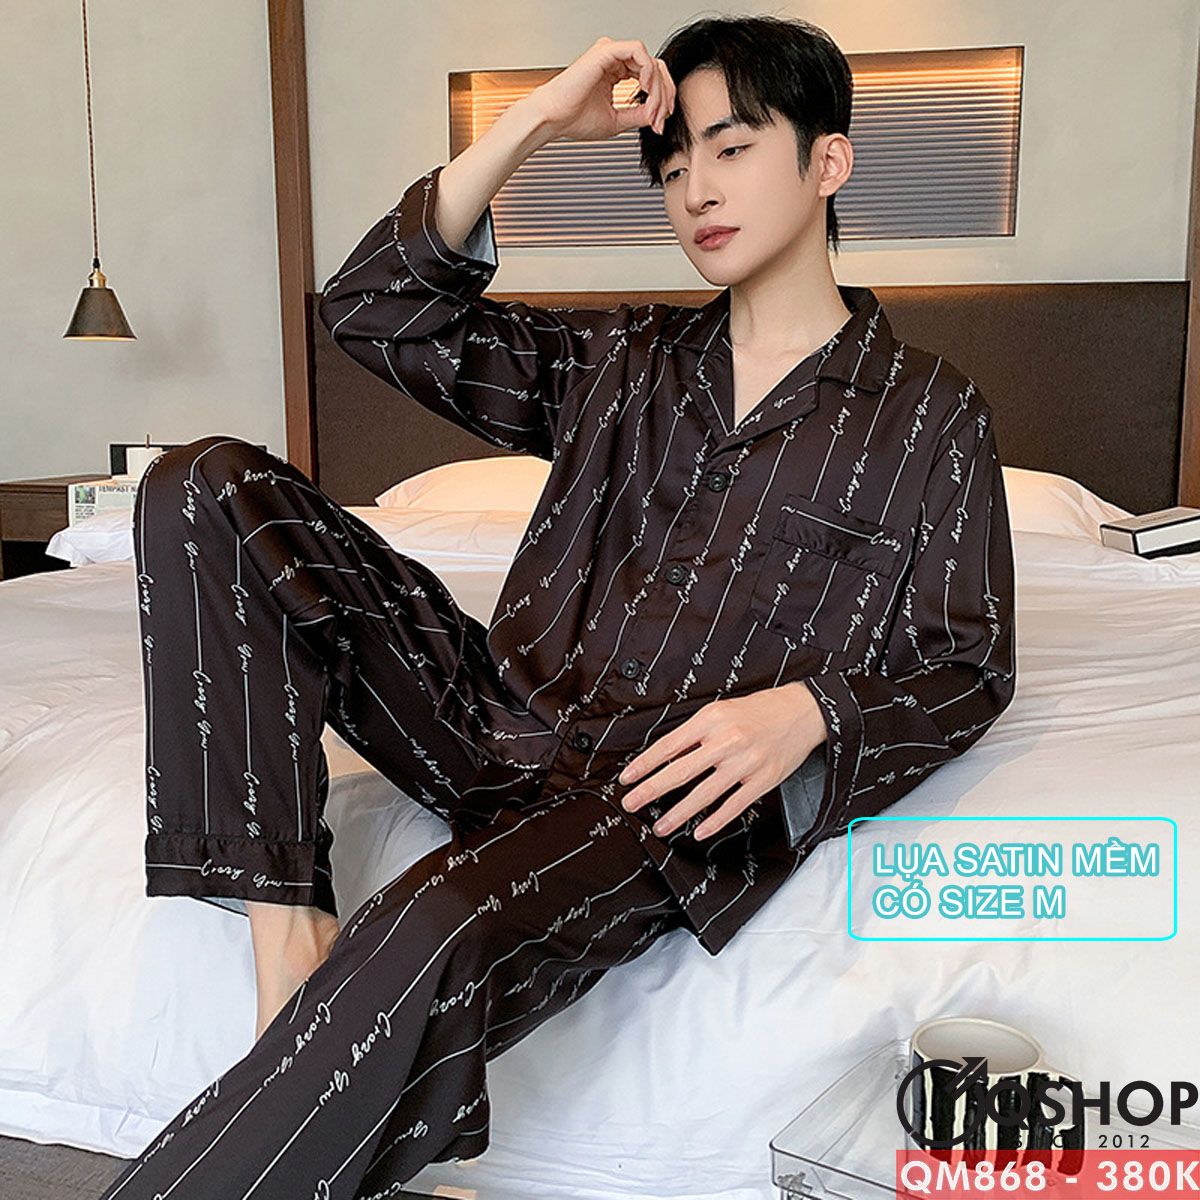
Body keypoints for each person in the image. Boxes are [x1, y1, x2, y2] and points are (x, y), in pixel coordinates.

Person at [98, 15, 1016, 1199]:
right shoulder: (618, 360)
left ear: (827, 160)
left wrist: (813, 714)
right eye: (672, 165)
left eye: (732, 148)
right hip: (495, 719)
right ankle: (286, 924)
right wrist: (532, 120)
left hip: (658, 800)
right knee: (201, 485)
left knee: (427, 923)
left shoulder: (929, 414)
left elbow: (968, 663)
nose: (696, 190)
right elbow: (373, 308)